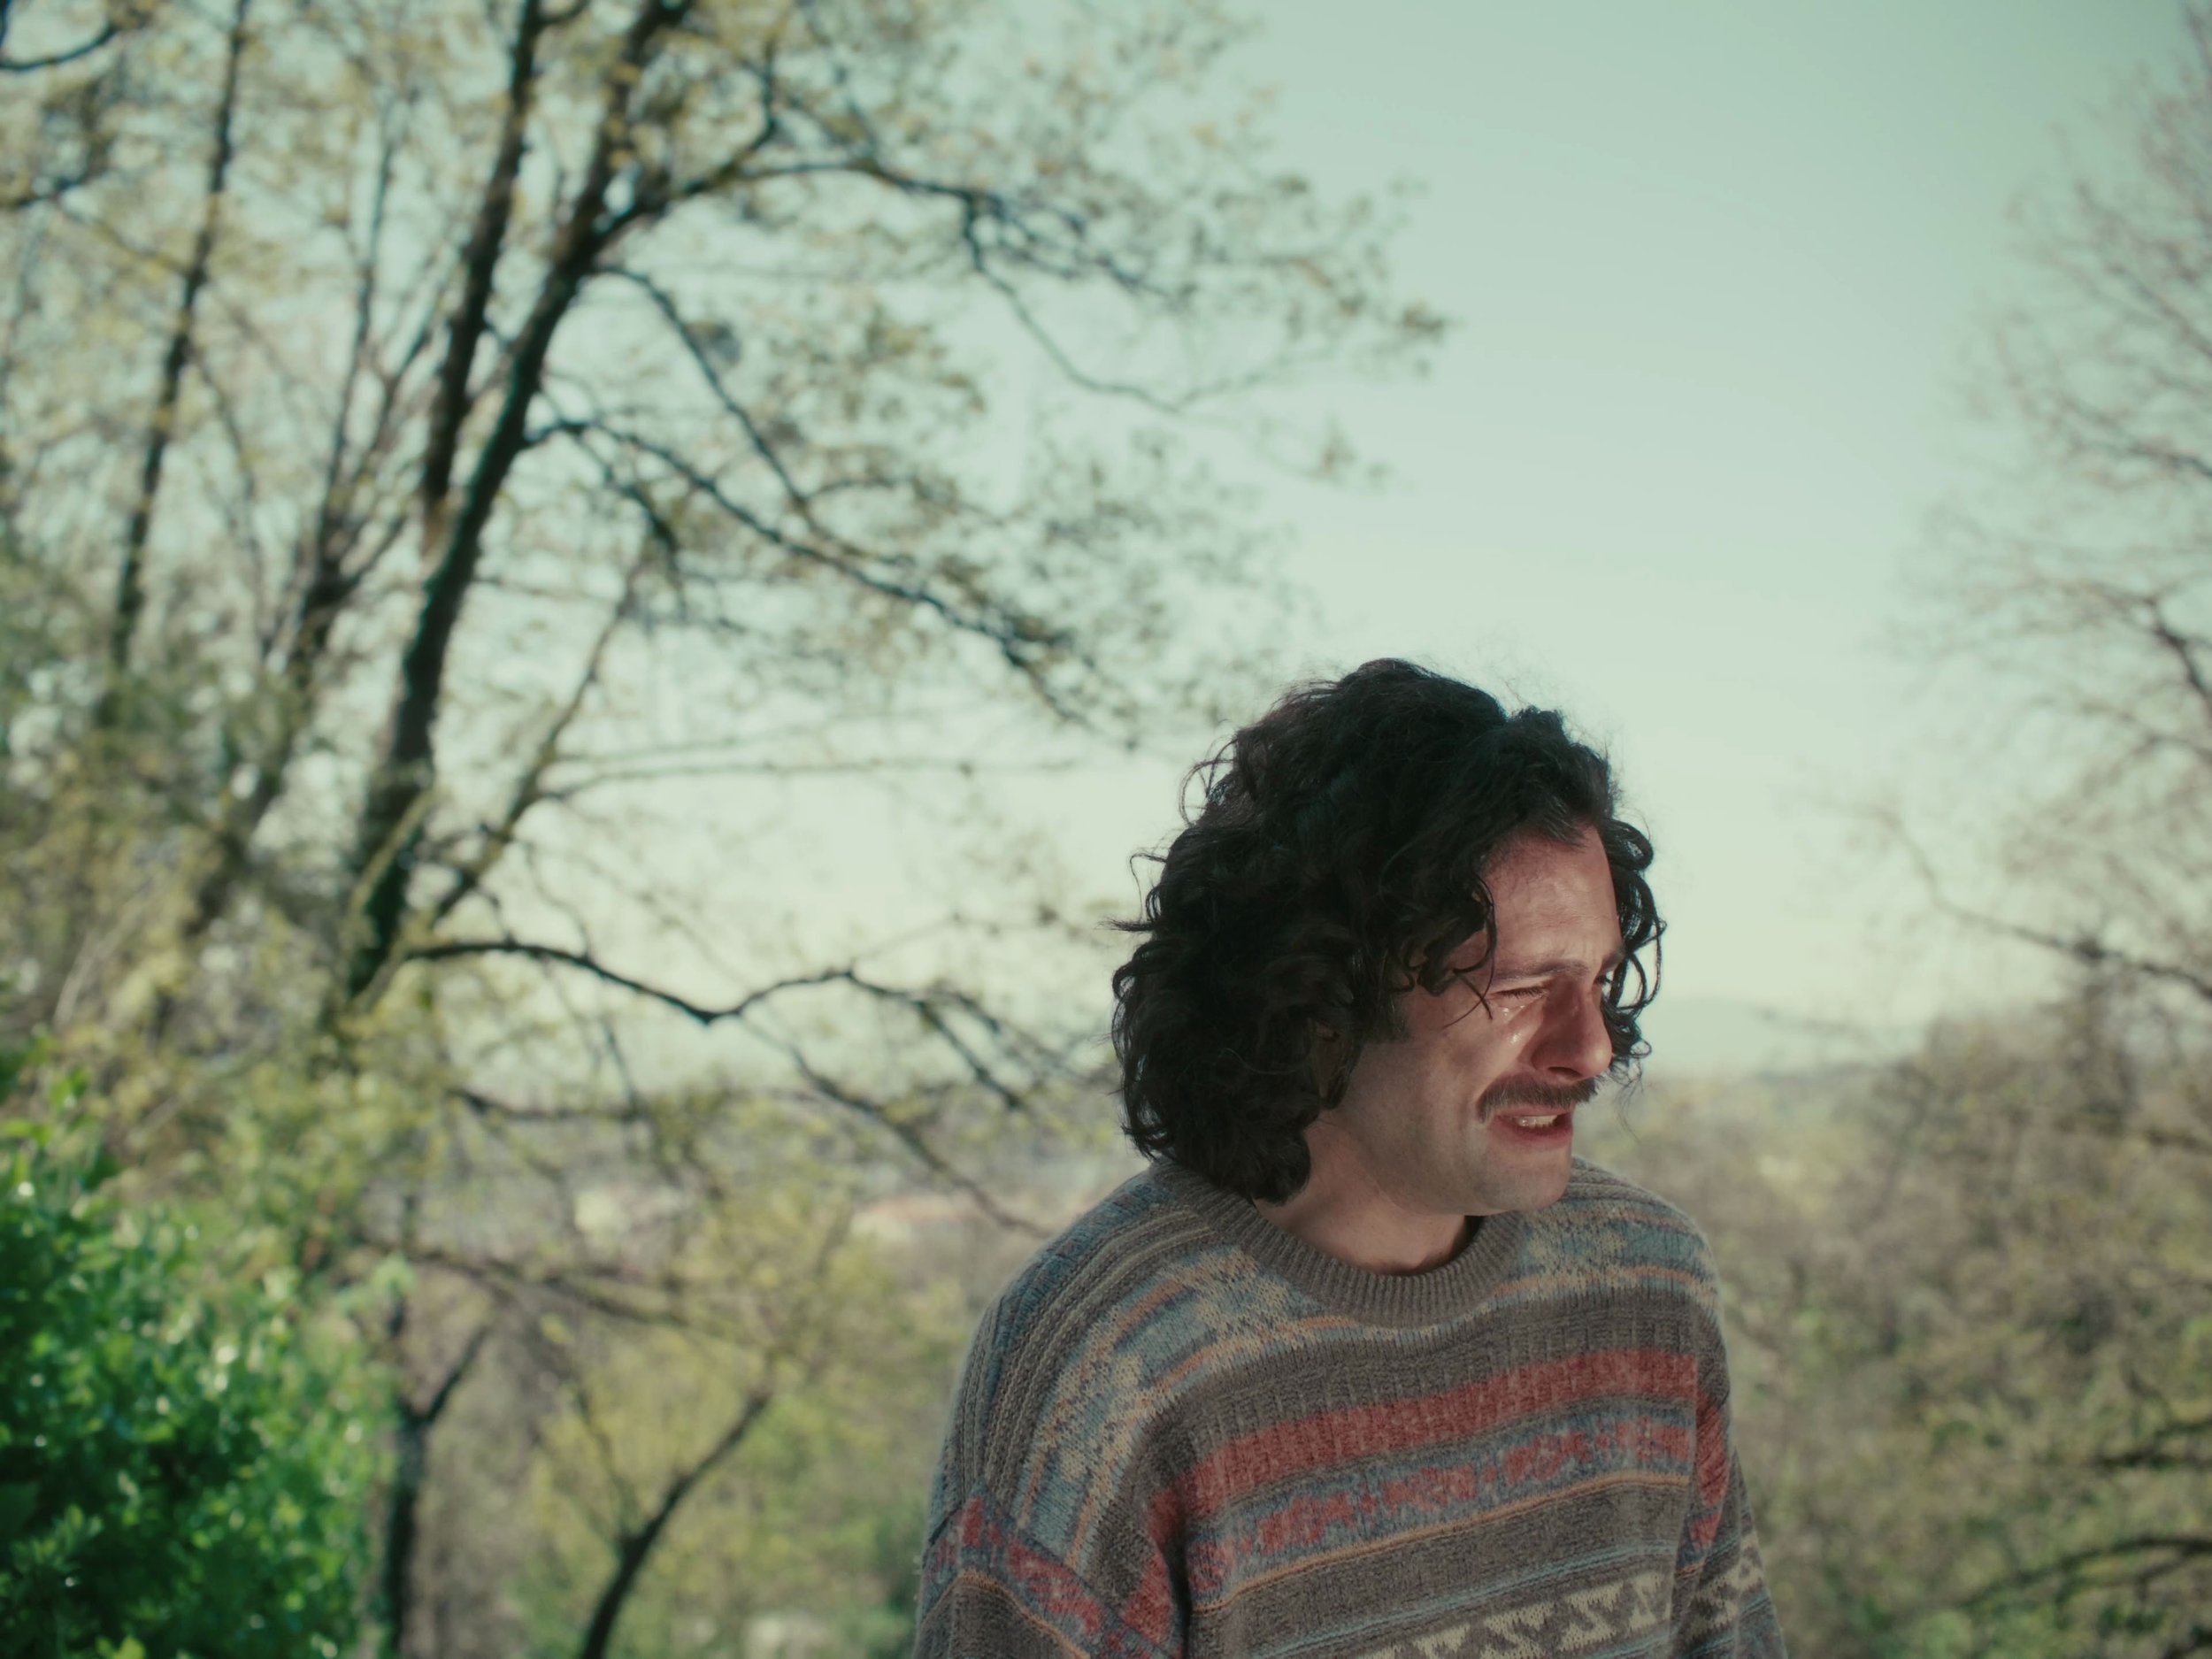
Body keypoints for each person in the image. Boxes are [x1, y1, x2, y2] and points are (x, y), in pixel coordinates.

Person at [914, 659, 1786, 1658]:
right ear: (1323, 994)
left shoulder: (1647, 1290)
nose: (1588, 1047)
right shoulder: (1107, 1368)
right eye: (1521, 987)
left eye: (1594, 978)